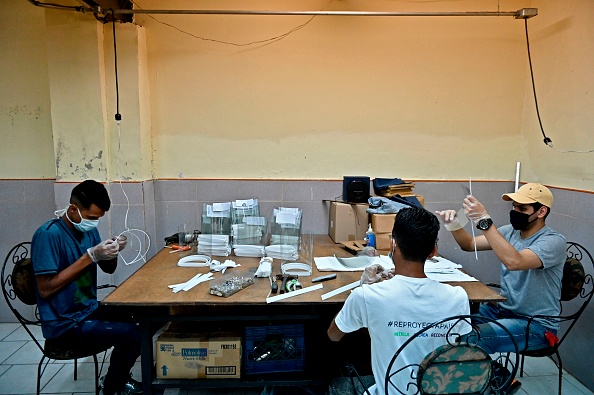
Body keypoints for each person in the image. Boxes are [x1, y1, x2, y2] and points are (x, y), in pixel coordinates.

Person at [327, 206, 470, 395]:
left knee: (336, 384)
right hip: (438, 389)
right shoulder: (458, 297)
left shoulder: (367, 296)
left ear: (393, 245)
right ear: (433, 251)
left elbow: (333, 335)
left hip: (390, 392)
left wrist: (362, 290)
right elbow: (459, 344)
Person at [31, 180, 142, 395]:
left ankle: (118, 378)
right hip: (64, 323)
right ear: (73, 209)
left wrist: (113, 250)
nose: (94, 223)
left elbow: (108, 269)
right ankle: (112, 387)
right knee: (132, 334)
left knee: (141, 315)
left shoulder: (89, 230)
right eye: (91, 217)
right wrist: (89, 256)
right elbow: (45, 289)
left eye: (98, 218)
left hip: (87, 309)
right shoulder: (48, 235)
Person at [435, 182, 566, 354]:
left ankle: (497, 377)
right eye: (514, 207)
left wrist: (484, 220)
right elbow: (469, 244)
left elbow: (515, 262)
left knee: (473, 339)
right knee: (449, 325)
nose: (516, 212)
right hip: (501, 311)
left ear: (541, 212)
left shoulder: (554, 241)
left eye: (522, 209)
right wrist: (453, 224)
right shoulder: (509, 232)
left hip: (536, 325)